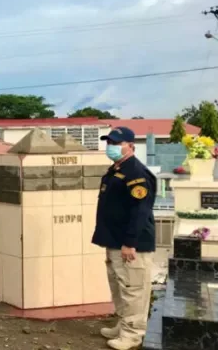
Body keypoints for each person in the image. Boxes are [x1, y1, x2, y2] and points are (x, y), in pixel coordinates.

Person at [92, 127, 157, 350]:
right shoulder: (116, 169)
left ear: (131, 146)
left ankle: (133, 334)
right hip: (115, 241)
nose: (111, 146)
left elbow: (140, 211)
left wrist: (130, 242)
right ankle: (123, 325)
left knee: (134, 289)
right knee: (120, 286)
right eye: (109, 141)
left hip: (131, 244)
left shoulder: (136, 173)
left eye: (117, 143)